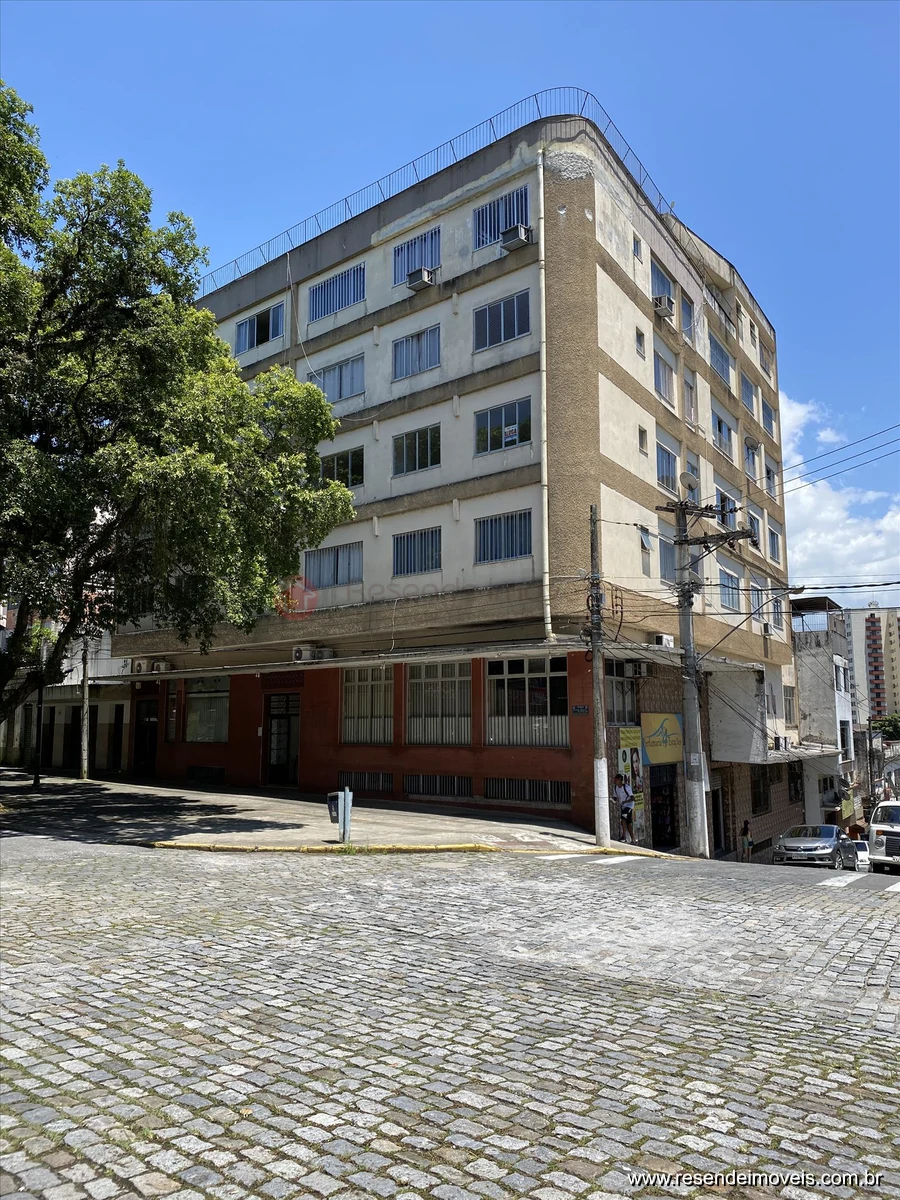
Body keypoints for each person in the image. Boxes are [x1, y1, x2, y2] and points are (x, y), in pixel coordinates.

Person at [614, 773, 635, 843]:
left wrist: (625, 801)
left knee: (623, 818)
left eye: (616, 780)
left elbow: (633, 798)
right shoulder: (615, 788)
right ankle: (633, 839)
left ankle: (624, 837)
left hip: (629, 806)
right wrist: (612, 800)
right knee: (628, 822)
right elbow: (615, 798)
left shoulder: (626, 787)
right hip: (623, 806)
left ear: (620, 780)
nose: (615, 781)